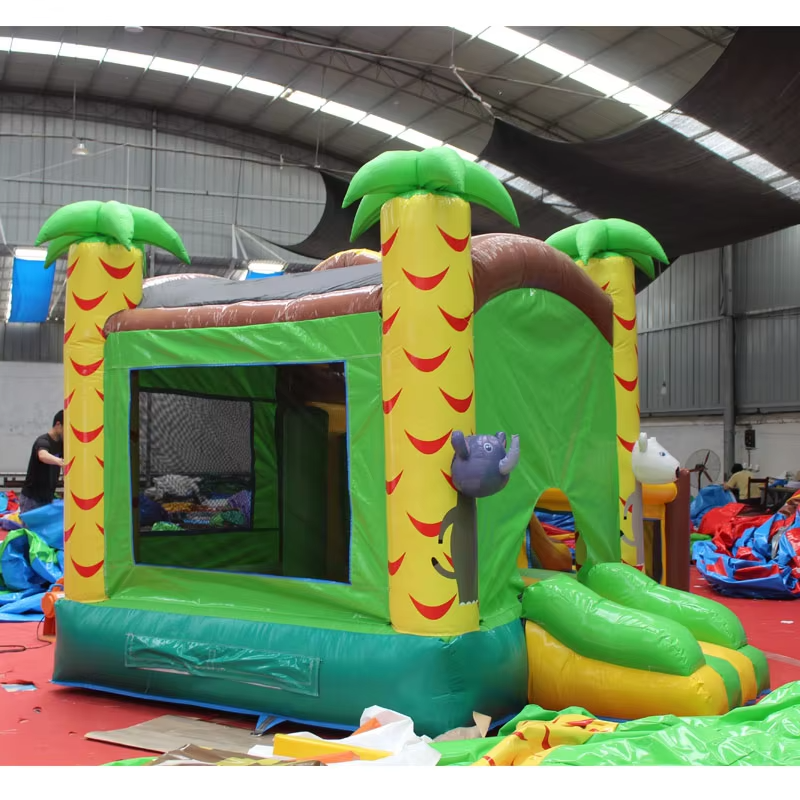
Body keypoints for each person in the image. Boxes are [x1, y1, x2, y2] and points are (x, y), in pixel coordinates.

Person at [19, 410, 64, 513]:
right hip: (31, 499)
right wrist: (60, 461)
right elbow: (42, 455)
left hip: (47, 498)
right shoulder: (43, 440)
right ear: (58, 424)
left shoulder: (62, 444)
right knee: (30, 524)